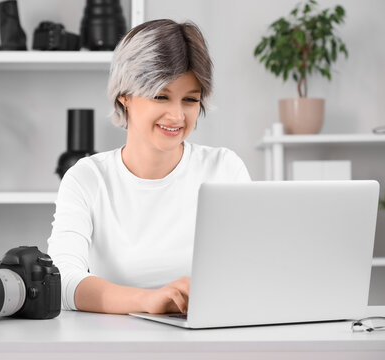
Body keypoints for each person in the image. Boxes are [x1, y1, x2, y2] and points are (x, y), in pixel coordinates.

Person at [47, 19, 251, 315]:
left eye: (190, 100)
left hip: (208, 338)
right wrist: (148, 300)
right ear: (125, 96)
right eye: (161, 96)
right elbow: (62, 280)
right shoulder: (87, 177)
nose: (177, 115)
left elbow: (251, 268)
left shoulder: (224, 169)